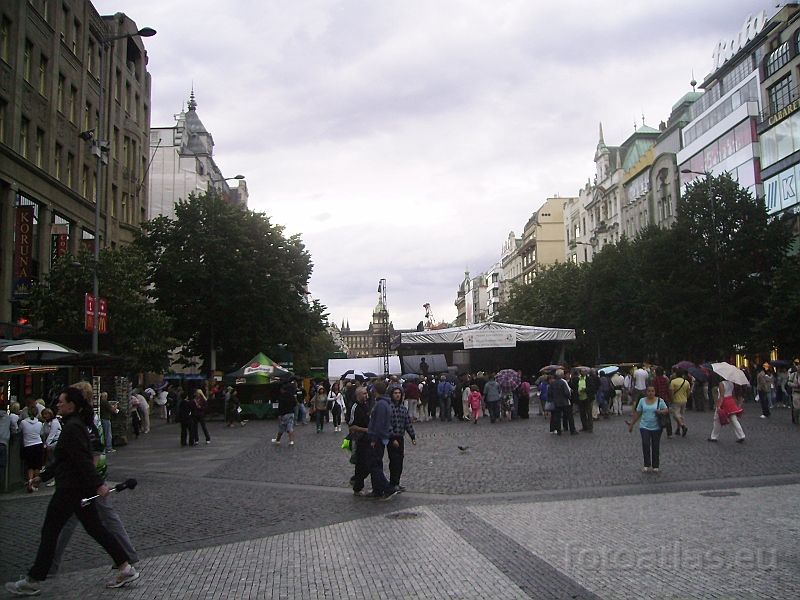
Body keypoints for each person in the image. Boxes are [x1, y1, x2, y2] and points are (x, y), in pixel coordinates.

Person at [5, 388, 138, 596]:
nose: (57, 404)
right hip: (76, 488)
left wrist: (98, 484)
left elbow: (81, 460)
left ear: (71, 405)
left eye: (61, 402)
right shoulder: (74, 426)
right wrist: (44, 476)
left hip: (71, 489)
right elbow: (64, 458)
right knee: (96, 529)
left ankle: (34, 579)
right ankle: (125, 567)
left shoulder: (73, 427)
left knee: (50, 531)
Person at [48, 381, 139, 579]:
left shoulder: (84, 422)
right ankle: (126, 558)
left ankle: (48, 566)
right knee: (97, 522)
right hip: (90, 478)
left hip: (85, 481)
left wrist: (93, 480)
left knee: (76, 524)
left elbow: (93, 449)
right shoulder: (85, 419)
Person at [365, 381, 398, 499]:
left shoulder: (380, 404)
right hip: (382, 437)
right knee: (376, 463)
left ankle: (387, 487)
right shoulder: (386, 403)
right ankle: (377, 489)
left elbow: (378, 423)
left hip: (377, 438)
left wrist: (373, 439)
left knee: (373, 464)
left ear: (375, 391)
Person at [628, 385, 668, 473]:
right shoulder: (642, 401)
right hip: (644, 426)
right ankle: (646, 464)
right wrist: (632, 424)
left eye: (652, 391)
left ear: (655, 392)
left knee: (655, 445)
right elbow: (638, 413)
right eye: (649, 391)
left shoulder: (659, 401)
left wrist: (660, 411)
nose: (650, 393)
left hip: (656, 426)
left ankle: (655, 465)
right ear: (646, 392)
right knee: (645, 444)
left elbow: (666, 410)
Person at [387, 384, 416, 491]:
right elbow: (388, 424)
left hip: (400, 437)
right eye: (395, 393)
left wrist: (412, 436)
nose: (398, 395)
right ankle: (393, 482)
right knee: (394, 461)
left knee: (400, 461)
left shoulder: (403, 408)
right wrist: (393, 438)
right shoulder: (389, 407)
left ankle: (396, 482)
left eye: (399, 393)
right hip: (392, 438)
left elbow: (407, 423)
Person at [347, 386, 371, 495]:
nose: (366, 395)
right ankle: (358, 486)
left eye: (366, 393)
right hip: (359, 438)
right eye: (364, 394)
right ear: (358, 395)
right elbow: (351, 426)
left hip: (368, 438)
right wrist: (365, 430)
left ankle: (356, 479)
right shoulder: (354, 407)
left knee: (368, 464)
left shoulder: (366, 406)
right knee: (361, 463)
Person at [708, 379, 746, 443]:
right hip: (730, 401)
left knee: (717, 419)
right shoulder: (731, 383)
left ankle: (714, 437)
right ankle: (741, 435)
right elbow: (732, 394)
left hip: (723, 402)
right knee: (734, 419)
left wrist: (719, 405)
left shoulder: (721, 383)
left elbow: (722, 395)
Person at [20, 405, 44, 492]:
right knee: (37, 465)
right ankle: (35, 483)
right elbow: (41, 433)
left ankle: (30, 481)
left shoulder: (23, 423)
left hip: (28, 445)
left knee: (30, 465)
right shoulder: (39, 424)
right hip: (38, 444)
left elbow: (19, 431)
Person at [550, 369, 576, 435]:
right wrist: (569, 397)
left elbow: (550, 392)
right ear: (562, 375)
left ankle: (558, 430)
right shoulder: (563, 382)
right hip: (565, 402)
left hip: (556, 402)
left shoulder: (553, 382)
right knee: (570, 416)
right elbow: (567, 392)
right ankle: (572, 430)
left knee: (557, 417)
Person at [651, 367, 673, 438]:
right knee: (667, 415)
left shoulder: (654, 380)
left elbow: (654, 390)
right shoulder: (665, 379)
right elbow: (667, 389)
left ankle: (657, 430)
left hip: (657, 399)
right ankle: (669, 432)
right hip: (665, 398)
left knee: (657, 415)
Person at [669, 369, 690, 437]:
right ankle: (678, 428)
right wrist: (686, 397)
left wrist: (671, 400)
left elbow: (671, 392)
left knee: (676, 415)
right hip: (684, 400)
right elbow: (688, 392)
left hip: (676, 400)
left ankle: (683, 427)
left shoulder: (673, 382)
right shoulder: (686, 382)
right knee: (681, 415)